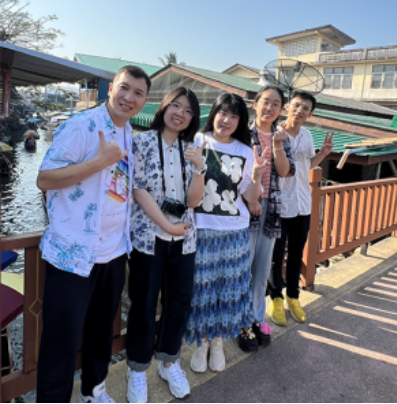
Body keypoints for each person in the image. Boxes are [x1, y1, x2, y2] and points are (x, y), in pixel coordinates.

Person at [36, 65, 151, 403]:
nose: (129, 97)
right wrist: (98, 163)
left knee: (101, 331)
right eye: (124, 88)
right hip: (72, 252)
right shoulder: (81, 125)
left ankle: (93, 391)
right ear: (111, 88)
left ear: (145, 101)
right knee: (61, 341)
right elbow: (44, 179)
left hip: (113, 251)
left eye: (138, 93)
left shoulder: (129, 133)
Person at [127, 87, 206, 403]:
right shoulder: (142, 141)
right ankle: (137, 369)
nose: (180, 114)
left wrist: (200, 168)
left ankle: (169, 361)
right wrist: (166, 224)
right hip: (149, 237)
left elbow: (194, 201)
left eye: (188, 111)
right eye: (175, 106)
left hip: (184, 239)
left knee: (180, 302)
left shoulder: (192, 148)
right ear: (163, 107)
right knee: (144, 304)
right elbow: (138, 189)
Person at [187, 93, 269, 374]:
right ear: (214, 113)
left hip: (235, 231)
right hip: (202, 229)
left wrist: (256, 176)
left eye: (234, 116)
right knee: (202, 289)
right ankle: (202, 342)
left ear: (240, 121)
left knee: (229, 288)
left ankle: (218, 340)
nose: (226, 120)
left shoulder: (245, 151)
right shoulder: (198, 140)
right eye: (223, 113)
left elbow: (250, 197)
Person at [268, 90, 334, 326]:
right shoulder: (276, 133)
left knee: (296, 254)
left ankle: (293, 296)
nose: (300, 110)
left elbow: (308, 165)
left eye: (305, 108)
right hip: (280, 204)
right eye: (296, 105)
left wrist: (323, 154)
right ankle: (276, 298)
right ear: (287, 107)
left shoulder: (307, 136)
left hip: (303, 204)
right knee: (276, 256)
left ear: (310, 114)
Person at [243, 86, 295, 349]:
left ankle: (256, 317)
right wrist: (251, 199)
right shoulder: (243, 133)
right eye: (266, 102)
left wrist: (277, 146)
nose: (270, 108)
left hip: (271, 207)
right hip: (244, 206)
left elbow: (285, 171)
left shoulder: (282, 137)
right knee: (243, 265)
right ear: (255, 104)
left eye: (276, 104)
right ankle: (241, 321)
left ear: (281, 110)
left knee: (262, 267)